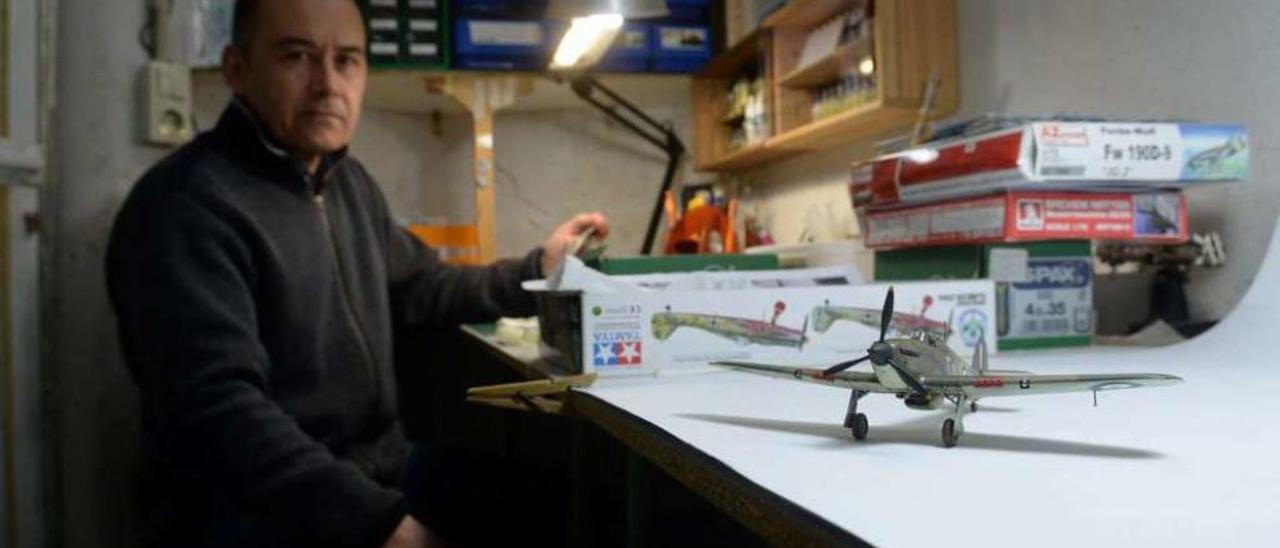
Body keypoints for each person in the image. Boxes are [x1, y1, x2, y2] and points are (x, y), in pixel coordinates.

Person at [104, 0, 608, 546]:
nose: (327, 84)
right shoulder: (187, 206)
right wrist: (379, 524)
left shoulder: (346, 183)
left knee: (579, 498)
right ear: (236, 68)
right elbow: (221, 418)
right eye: (297, 56)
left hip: (374, 469)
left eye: (347, 60)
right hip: (260, 507)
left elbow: (426, 286)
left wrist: (539, 269)